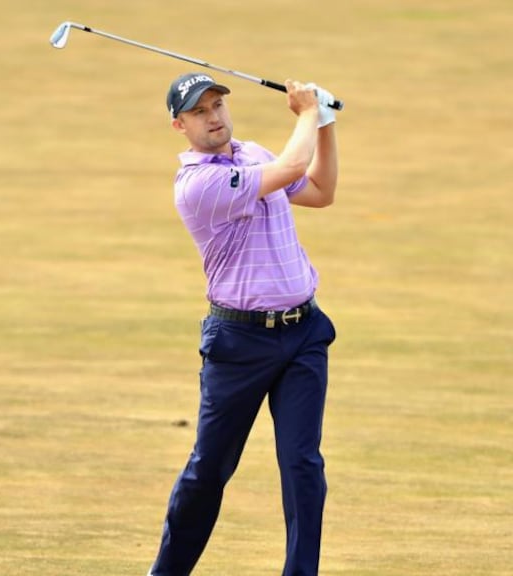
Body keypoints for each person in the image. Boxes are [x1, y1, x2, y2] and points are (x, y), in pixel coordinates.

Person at [147, 71, 339, 576]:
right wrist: (307, 114)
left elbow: (319, 189)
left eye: (217, 105)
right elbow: (293, 165)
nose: (213, 117)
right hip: (238, 341)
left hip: (303, 333)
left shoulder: (253, 153)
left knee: (303, 466)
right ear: (179, 125)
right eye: (200, 112)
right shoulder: (199, 185)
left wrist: (326, 124)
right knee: (210, 469)